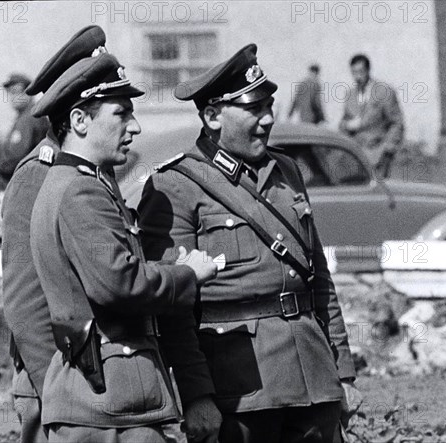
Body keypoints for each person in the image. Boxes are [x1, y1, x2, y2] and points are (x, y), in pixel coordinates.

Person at [138, 44, 362, 443]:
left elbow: (319, 279)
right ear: (212, 116)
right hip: (239, 389)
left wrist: (342, 371)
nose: (268, 120)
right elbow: (174, 309)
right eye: (254, 109)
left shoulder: (287, 170)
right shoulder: (176, 185)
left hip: (313, 377)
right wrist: (196, 395)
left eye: (269, 106)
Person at [28, 51, 219, 442]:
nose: (134, 128)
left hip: (105, 401)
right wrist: (187, 275)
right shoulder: (80, 190)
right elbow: (119, 284)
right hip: (108, 406)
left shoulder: (77, 183)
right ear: (79, 120)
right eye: (121, 114)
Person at [0, 26, 110, 443]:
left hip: (91, 375)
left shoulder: (92, 169)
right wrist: (58, 390)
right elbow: (25, 300)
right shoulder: (38, 175)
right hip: (54, 379)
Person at [339, 54, 404, 177]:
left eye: (360, 72)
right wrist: (347, 125)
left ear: (368, 70)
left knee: (378, 194)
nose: (357, 77)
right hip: (356, 157)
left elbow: (397, 123)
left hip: (378, 154)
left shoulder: (384, 91)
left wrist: (387, 150)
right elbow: (342, 124)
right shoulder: (350, 95)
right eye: (354, 72)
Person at [0, 73, 49, 191]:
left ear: (29, 93)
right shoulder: (27, 115)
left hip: (27, 182)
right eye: (10, 92)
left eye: (17, 91)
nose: (13, 96)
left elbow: (17, 154)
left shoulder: (29, 118)